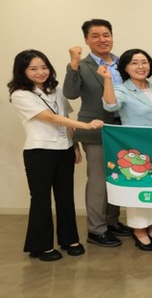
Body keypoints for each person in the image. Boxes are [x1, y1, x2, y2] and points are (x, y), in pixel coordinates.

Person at [9, 50, 104, 262]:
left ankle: (69, 239)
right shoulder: (20, 94)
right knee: (41, 199)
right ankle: (41, 246)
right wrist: (86, 126)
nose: (41, 72)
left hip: (64, 149)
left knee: (65, 196)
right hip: (39, 151)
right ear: (22, 71)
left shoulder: (57, 90)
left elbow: (65, 116)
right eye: (33, 69)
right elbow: (51, 118)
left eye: (44, 67)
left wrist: (75, 145)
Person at [63, 18, 130, 247]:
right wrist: (73, 63)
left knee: (117, 176)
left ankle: (112, 221)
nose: (102, 39)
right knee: (99, 181)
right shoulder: (82, 65)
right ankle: (96, 229)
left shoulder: (123, 62)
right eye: (95, 36)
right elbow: (71, 93)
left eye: (106, 34)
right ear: (86, 40)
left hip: (123, 129)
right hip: (96, 130)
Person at [99, 49, 152, 251]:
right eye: (134, 63)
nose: (140, 67)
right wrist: (107, 80)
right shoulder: (122, 89)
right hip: (136, 150)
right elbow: (111, 106)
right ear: (125, 67)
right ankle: (139, 230)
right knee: (138, 189)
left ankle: (151, 226)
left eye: (144, 62)